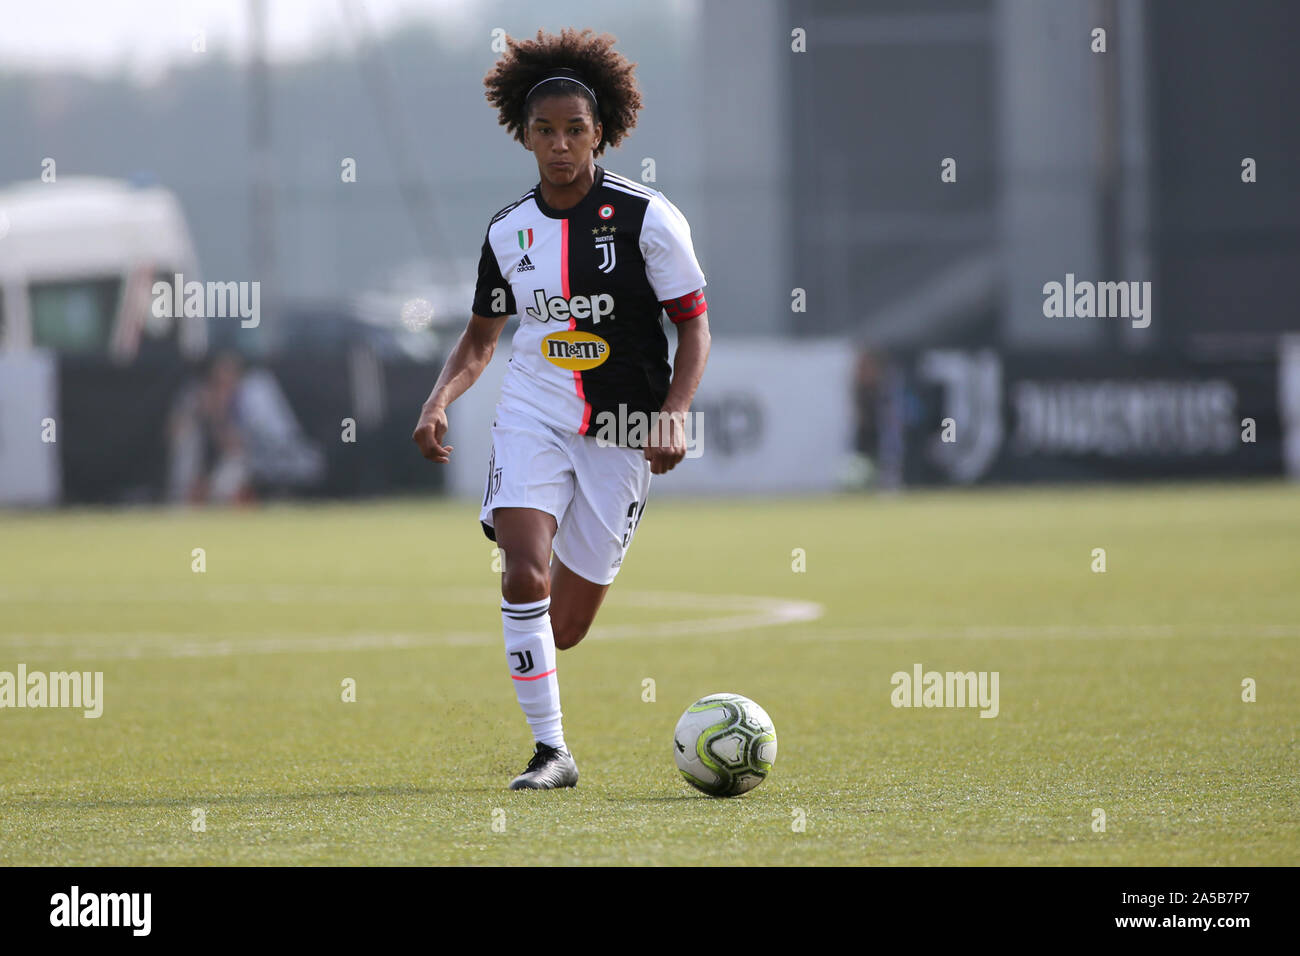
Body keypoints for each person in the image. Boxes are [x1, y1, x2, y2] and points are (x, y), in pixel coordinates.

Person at [412, 28, 711, 790]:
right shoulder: (508, 232)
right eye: (544, 131)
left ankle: (547, 710)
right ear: (525, 134)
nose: (559, 145)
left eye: (574, 130)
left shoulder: (649, 219)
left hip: (621, 431)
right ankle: (553, 753)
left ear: (601, 131)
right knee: (522, 571)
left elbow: (693, 323)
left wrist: (675, 411)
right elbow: (481, 342)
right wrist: (439, 399)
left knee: (566, 628)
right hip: (534, 411)